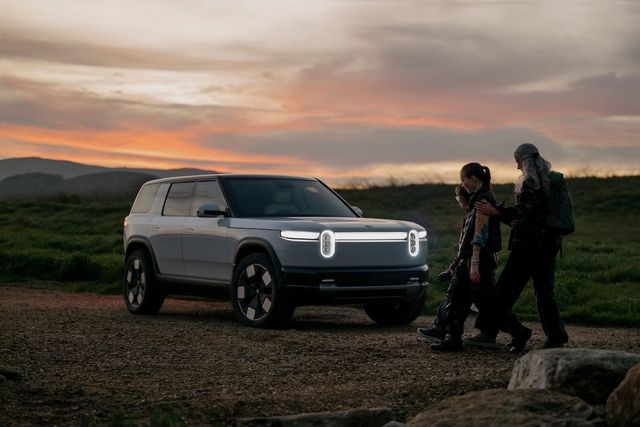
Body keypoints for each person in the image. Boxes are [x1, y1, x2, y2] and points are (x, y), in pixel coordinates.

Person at [468, 143, 569, 352]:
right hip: (547, 246)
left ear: (525, 160)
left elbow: (523, 215)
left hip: (527, 247)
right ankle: (556, 338)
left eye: (518, 162)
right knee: (544, 292)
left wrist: (496, 211)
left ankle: (491, 333)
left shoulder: (531, 183)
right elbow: (529, 215)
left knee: (504, 291)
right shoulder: (547, 182)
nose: (517, 167)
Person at [420, 163, 507, 352]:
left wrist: (473, 263)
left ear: (473, 179)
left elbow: (479, 235)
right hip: (469, 260)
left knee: (485, 301)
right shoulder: (478, 199)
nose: (462, 184)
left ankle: (518, 331)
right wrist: (456, 265)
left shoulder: (482, 200)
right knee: (457, 297)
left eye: (463, 180)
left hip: (478, 260)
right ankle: (452, 338)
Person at [416, 184, 472, 343]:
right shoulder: (470, 214)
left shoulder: (473, 215)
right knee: (458, 300)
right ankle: (449, 334)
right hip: (468, 264)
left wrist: (454, 267)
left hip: (469, 264)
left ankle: (441, 331)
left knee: (455, 298)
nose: (457, 199)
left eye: (458, 196)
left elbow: (466, 246)